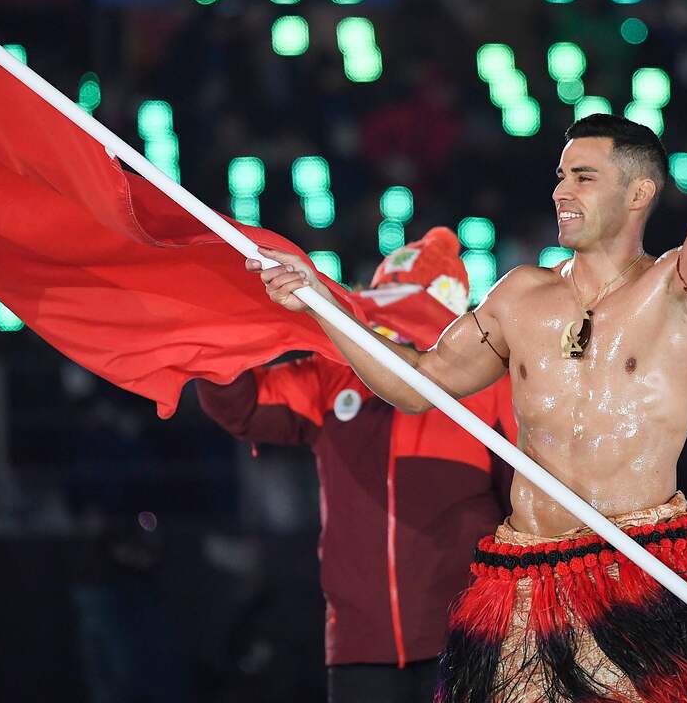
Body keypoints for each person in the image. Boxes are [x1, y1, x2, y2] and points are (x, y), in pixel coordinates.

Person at [250, 12, 687, 703]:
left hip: (637, 567)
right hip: (521, 576)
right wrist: (326, 312)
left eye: (585, 177)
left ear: (638, 193)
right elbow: (422, 385)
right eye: (562, 175)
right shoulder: (519, 296)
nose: (561, 190)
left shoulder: (679, 288)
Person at [196, 227, 517, 703]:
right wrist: (224, 328)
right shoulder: (332, 371)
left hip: (467, 634)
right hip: (359, 645)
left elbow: (528, 499)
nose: (401, 324)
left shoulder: (489, 380)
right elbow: (243, 405)